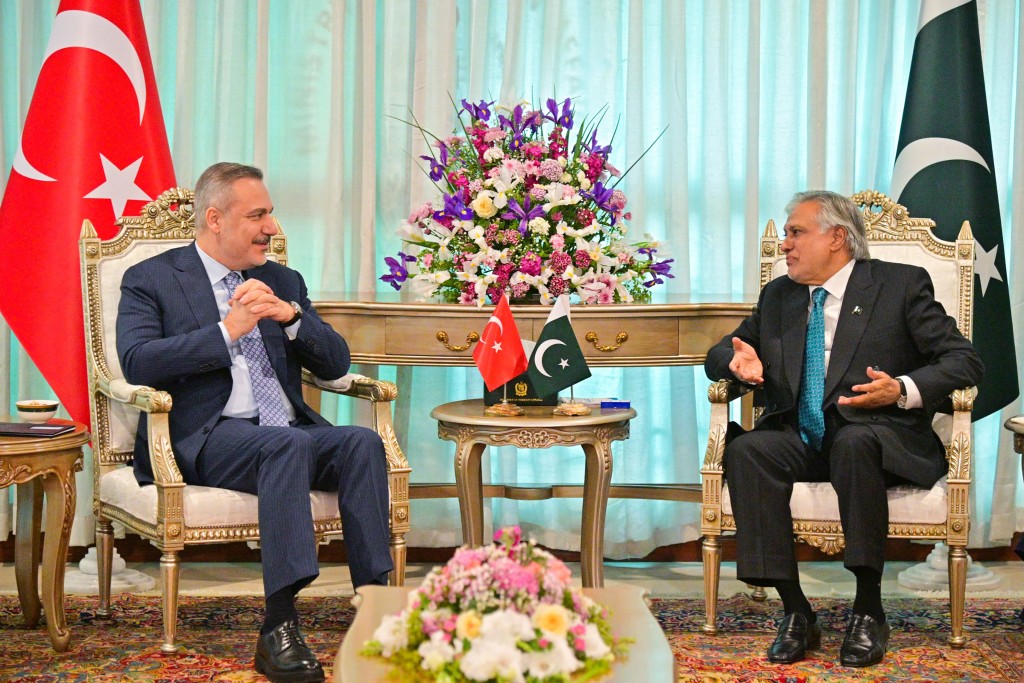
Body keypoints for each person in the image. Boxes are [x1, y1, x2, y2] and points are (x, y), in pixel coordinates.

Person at [117, 162, 394, 683]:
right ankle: (279, 627)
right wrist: (226, 330)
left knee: (360, 443)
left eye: (271, 213)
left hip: (285, 430)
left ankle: (377, 607)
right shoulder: (152, 278)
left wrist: (291, 318)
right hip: (207, 435)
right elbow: (138, 361)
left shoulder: (281, 279)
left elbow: (335, 364)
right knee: (282, 446)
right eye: (258, 215)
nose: (271, 227)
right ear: (216, 219)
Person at [704, 190, 983, 668]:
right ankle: (795, 611)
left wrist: (901, 389)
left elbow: (965, 361)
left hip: (879, 436)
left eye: (796, 232)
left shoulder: (899, 285)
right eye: (787, 234)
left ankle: (868, 609)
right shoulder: (780, 295)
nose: (785, 244)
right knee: (749, 450)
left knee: (854, 441)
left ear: (837, 238)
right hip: (805, 435)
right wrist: (735, 358)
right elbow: (720, 352)